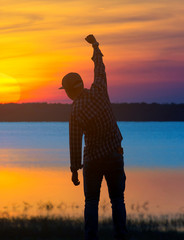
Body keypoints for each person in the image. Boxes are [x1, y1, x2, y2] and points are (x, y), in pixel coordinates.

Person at [59, 34, 128, 240]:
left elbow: (74, 143)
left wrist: (74, 170)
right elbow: (100, 68)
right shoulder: (99, 90)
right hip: (115, 155)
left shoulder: (75, 110)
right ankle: (121, 236)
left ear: (70, 92)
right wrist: (95, 46)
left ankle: (91, 237)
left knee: (91, 201)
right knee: (118, 199)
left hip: (93, 161)